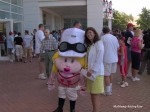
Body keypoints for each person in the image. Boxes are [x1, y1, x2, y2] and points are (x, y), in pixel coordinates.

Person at [47, 28, 86, 112]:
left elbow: (82, 74)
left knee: (72, 94)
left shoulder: (81, 58)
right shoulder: (60, 55)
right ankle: (60, 108)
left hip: (73, 83)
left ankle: (72, 109)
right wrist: (51, 81)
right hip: (61, 82)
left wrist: (83, 86)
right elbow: (54, 70)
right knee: (61, 93)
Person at [84, 27, 104, 112]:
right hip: (90, 72)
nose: (89, 34)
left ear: (95, 33)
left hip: (96, 73)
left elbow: (99, 59)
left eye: (90, 32)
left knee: (95, 95)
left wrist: (92, 70)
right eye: (87, 33)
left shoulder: (99, 43)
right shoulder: (91, 45)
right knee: (92, 94)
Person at [101, 26, 119, 95]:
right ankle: (110, 88)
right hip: (114, 58)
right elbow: (117, 47)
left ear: (103, 31)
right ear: (109, 30)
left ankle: (108, 91)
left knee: (106, 75)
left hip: (107, 59)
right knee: (111, 74)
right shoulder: (114, 37)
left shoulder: (102, 38)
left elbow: (100, 49)